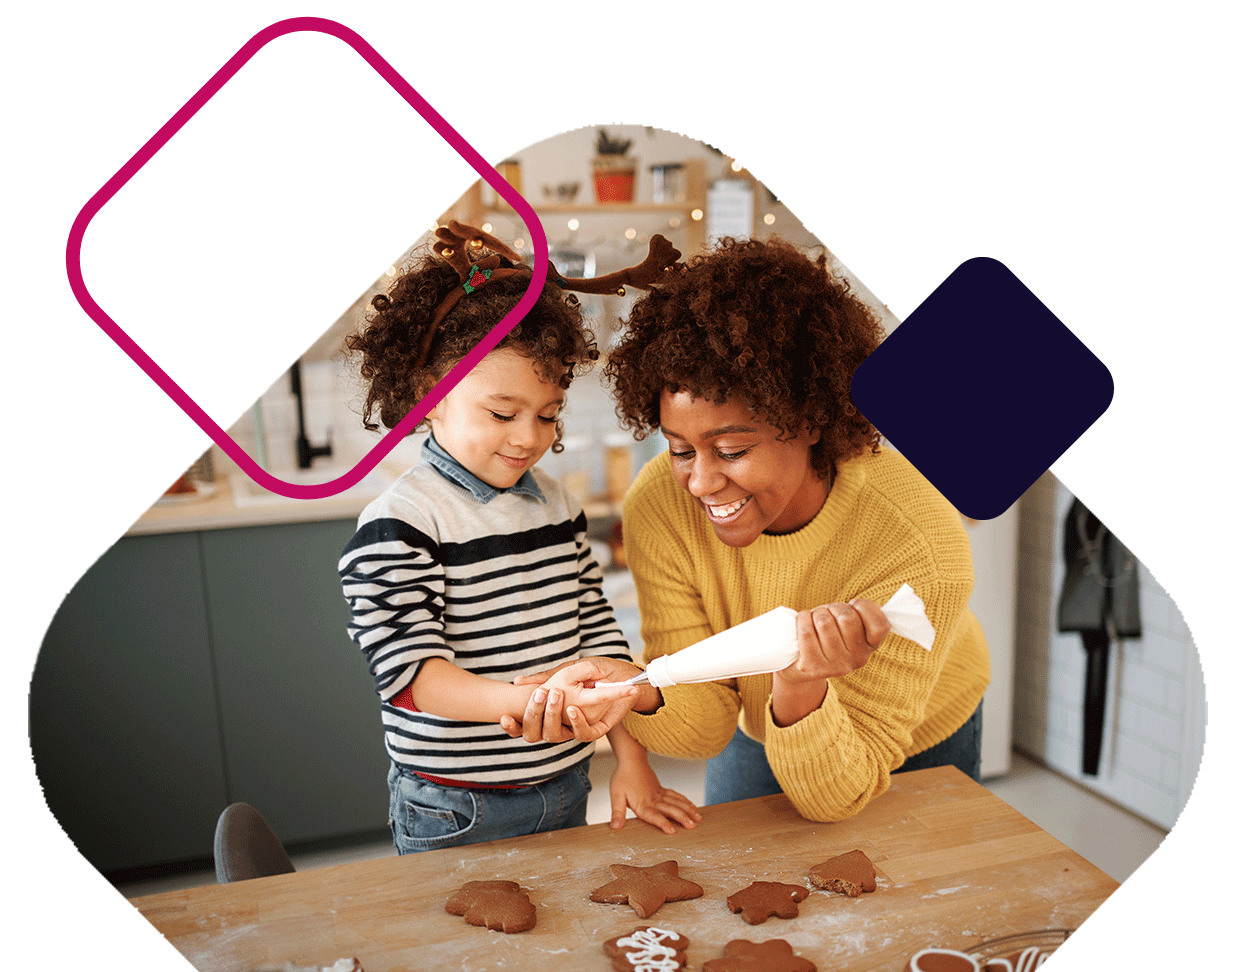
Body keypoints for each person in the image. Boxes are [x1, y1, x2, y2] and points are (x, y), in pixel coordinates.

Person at [507, 235, 991, 824]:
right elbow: (703, 725)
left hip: (915, 735)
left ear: (810, 420)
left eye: (732, 450)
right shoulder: (661, 504)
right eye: (680, 449)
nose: (700, 483)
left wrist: (801, 687)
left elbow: (836, 797)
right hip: (759, 716)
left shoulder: (916, 540)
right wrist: (638, 687)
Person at [338, 221, 700, 854]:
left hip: (565, 784)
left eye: (548, 414)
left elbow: (599, 639)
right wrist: (523, 700)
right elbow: (415, 677)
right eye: (502, 413)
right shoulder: (402, 523)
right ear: (430, 397)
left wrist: (631, 760)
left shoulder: (557, 506)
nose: (529, 437)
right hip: (452, 807)